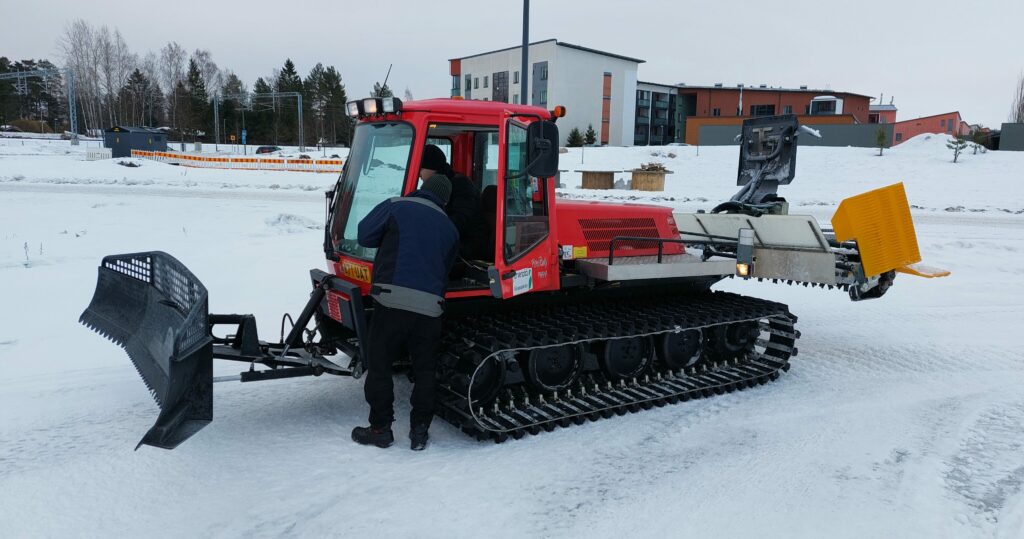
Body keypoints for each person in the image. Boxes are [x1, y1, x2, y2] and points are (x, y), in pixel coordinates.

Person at [352, 174, 460, 451]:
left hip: (391, 302)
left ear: (422, 189)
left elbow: (364, 234)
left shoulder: (397, 206)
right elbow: (447, 270)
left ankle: (381, 429)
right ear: (446, 200)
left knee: (380, 366)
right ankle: (419, 431)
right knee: (425, 370)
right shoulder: (450, 228)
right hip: (429, 310)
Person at [419, 144, 488, 260]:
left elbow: (460, 219)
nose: (419, 173)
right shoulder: (433, 187)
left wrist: (434, 232)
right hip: (451, 240)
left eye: (421, 168)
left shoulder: (461, 185)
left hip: (468, 243)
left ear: (433, 167)